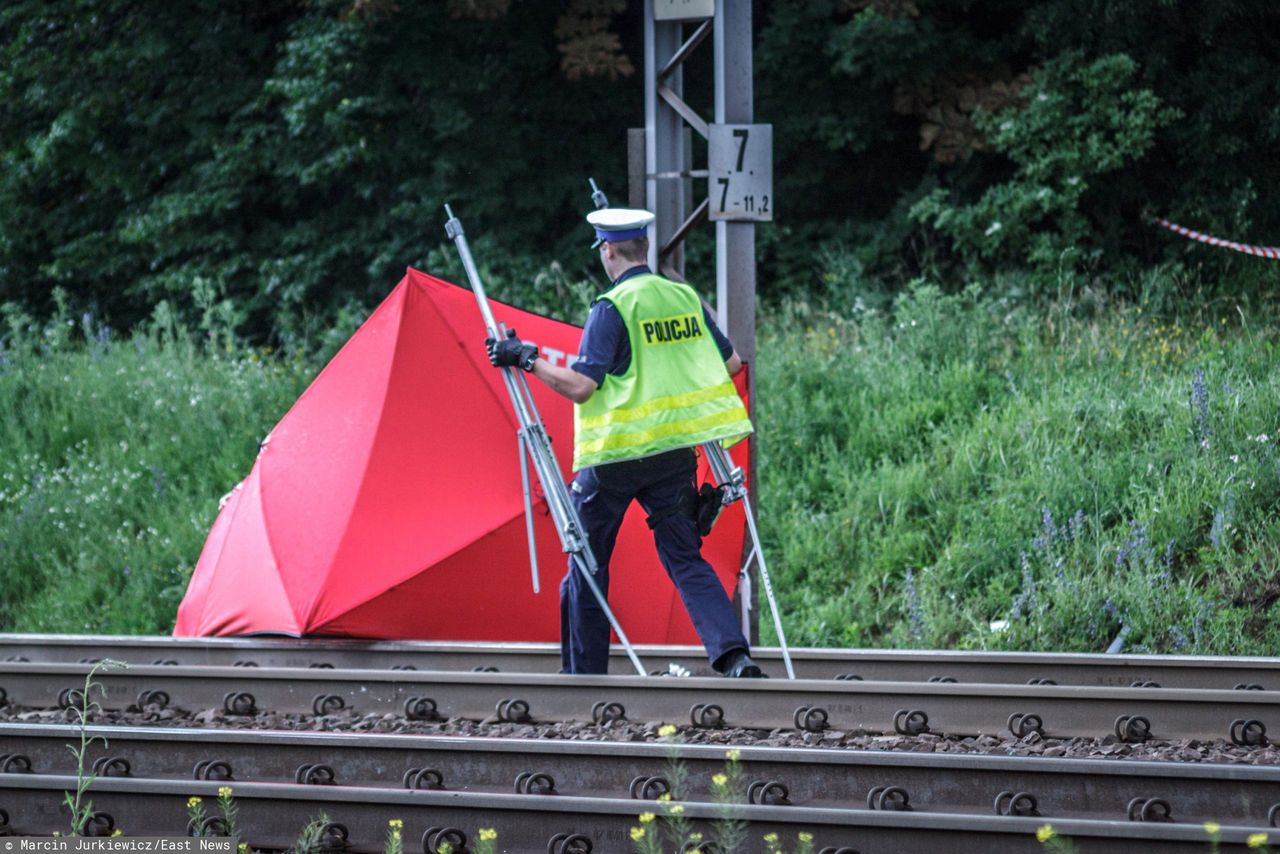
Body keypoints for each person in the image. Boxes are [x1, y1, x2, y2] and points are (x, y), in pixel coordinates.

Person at [486, 207, 764, 678]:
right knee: (685, 559)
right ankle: (734, 657)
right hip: (674, 454)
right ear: (644, 247)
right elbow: (733, 362)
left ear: (608, 249)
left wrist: (525, 357)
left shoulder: (612, 308)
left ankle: (585, 679)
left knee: (588, 565)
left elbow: (581, 387)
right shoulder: (682, 297)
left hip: (613, 458)